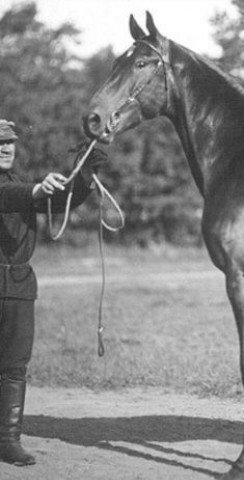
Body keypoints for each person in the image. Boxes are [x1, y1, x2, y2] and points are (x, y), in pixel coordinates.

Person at [0, 119, 107, 466]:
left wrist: (85, 176)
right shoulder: (17, 189)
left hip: (17, 285)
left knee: (15, 366)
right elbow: (13, 197)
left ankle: (7, 440)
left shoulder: (18, 182)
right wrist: (37, 190)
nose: (5, 148)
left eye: (10, 142)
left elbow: (56, 203)